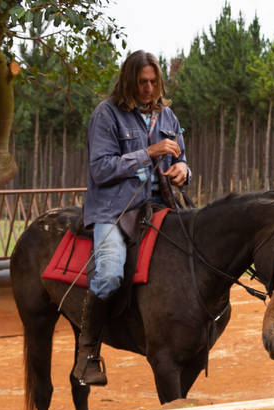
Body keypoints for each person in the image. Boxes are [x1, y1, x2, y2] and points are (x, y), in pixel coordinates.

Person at [75, 50, 190, 386]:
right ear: (129, 81)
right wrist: (148, 153)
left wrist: (184, 169)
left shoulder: (167, 116)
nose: (149, 89)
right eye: (142, 82)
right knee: (109, 274)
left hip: (160, 204)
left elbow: (181, 158)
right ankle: (88, 353)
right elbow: (100, 169)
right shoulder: (106, 115)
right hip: (114, 208)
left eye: (154, 82)